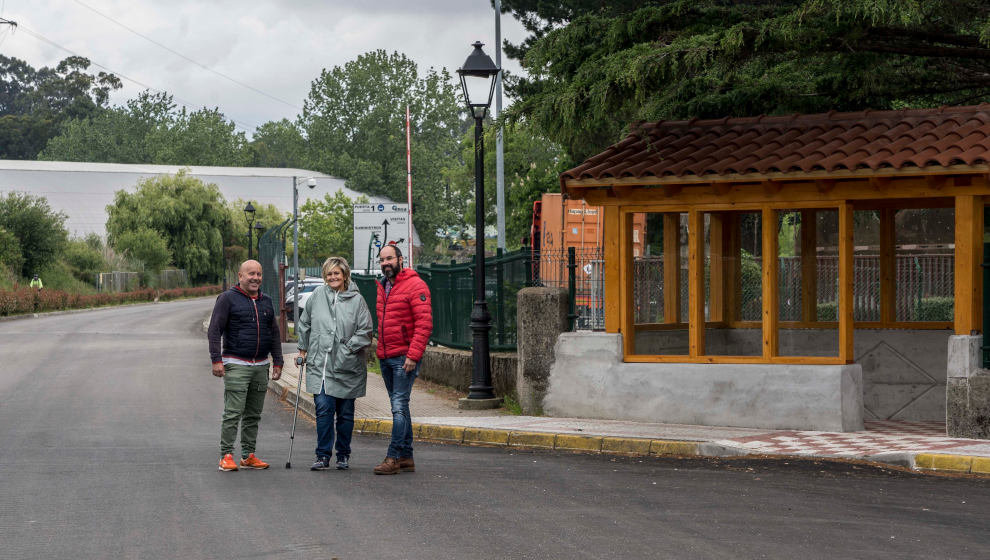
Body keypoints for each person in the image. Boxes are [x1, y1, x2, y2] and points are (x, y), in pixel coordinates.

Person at [296, 256, 373, 471]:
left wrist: (348, 348)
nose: (332, 277)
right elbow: (305, 323)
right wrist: (302, 349)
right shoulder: (317, 296)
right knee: (323, 409)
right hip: (320, 365)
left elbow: (366, 331)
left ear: (345, 275)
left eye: (336, 273)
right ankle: (322, 455)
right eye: (329, 274)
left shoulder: (357, 300)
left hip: (347, 365)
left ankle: (343, 454)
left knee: (346, 414)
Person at [207, 259, 283, 472]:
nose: (255, 278)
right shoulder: (227, 299)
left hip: (260, 366)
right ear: (240, 276)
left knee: (253, 414)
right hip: (236, 364)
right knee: (233, 412)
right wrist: (216, 360)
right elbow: (214, 331)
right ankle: (226, 455)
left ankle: (249, 455)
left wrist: (278, 361)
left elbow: (274, 333)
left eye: (259, 274)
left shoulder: (266, 301)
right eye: (251, 274)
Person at [373, 244, 433, 475]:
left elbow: (424, 324)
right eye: (382, 260)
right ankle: (407, 456)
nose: (386, 263)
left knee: (398, 406)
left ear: (400, 259)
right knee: (400, 407)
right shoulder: (384, 286)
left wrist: (413, 356)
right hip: (386, 356)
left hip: (404, 358)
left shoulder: (415, 285)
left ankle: (393, 457)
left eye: (389, 259)